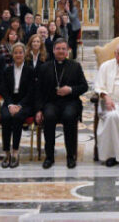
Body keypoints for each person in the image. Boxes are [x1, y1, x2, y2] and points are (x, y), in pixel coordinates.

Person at [36, 40, 88, 169]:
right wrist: (39, 109)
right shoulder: (44, 67)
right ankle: (49, 157)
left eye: (63, 49)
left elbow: (84, 86)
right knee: (49, 116)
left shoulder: (75, 66)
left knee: (69, 116)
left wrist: (70, 90)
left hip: (70, 102)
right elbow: (38, 91)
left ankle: (71, 156)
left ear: (67, 51)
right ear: (53, 50)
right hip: (51, 102)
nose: (60, 51)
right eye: (58, 48)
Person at [0, 42, 36, 168]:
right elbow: (3, 89)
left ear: (24, 54)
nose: (18, 55)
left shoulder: (30, 71)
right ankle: (6, 153)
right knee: (5, 117)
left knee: (18, 117)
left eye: (20, 52)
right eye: (16, 52)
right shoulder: (7, 70)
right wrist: (10, 105)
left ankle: (15, 152)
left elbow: (32, 92)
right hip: (10, 101)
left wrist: (19, 105)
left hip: (24, 102)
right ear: (12, 55)